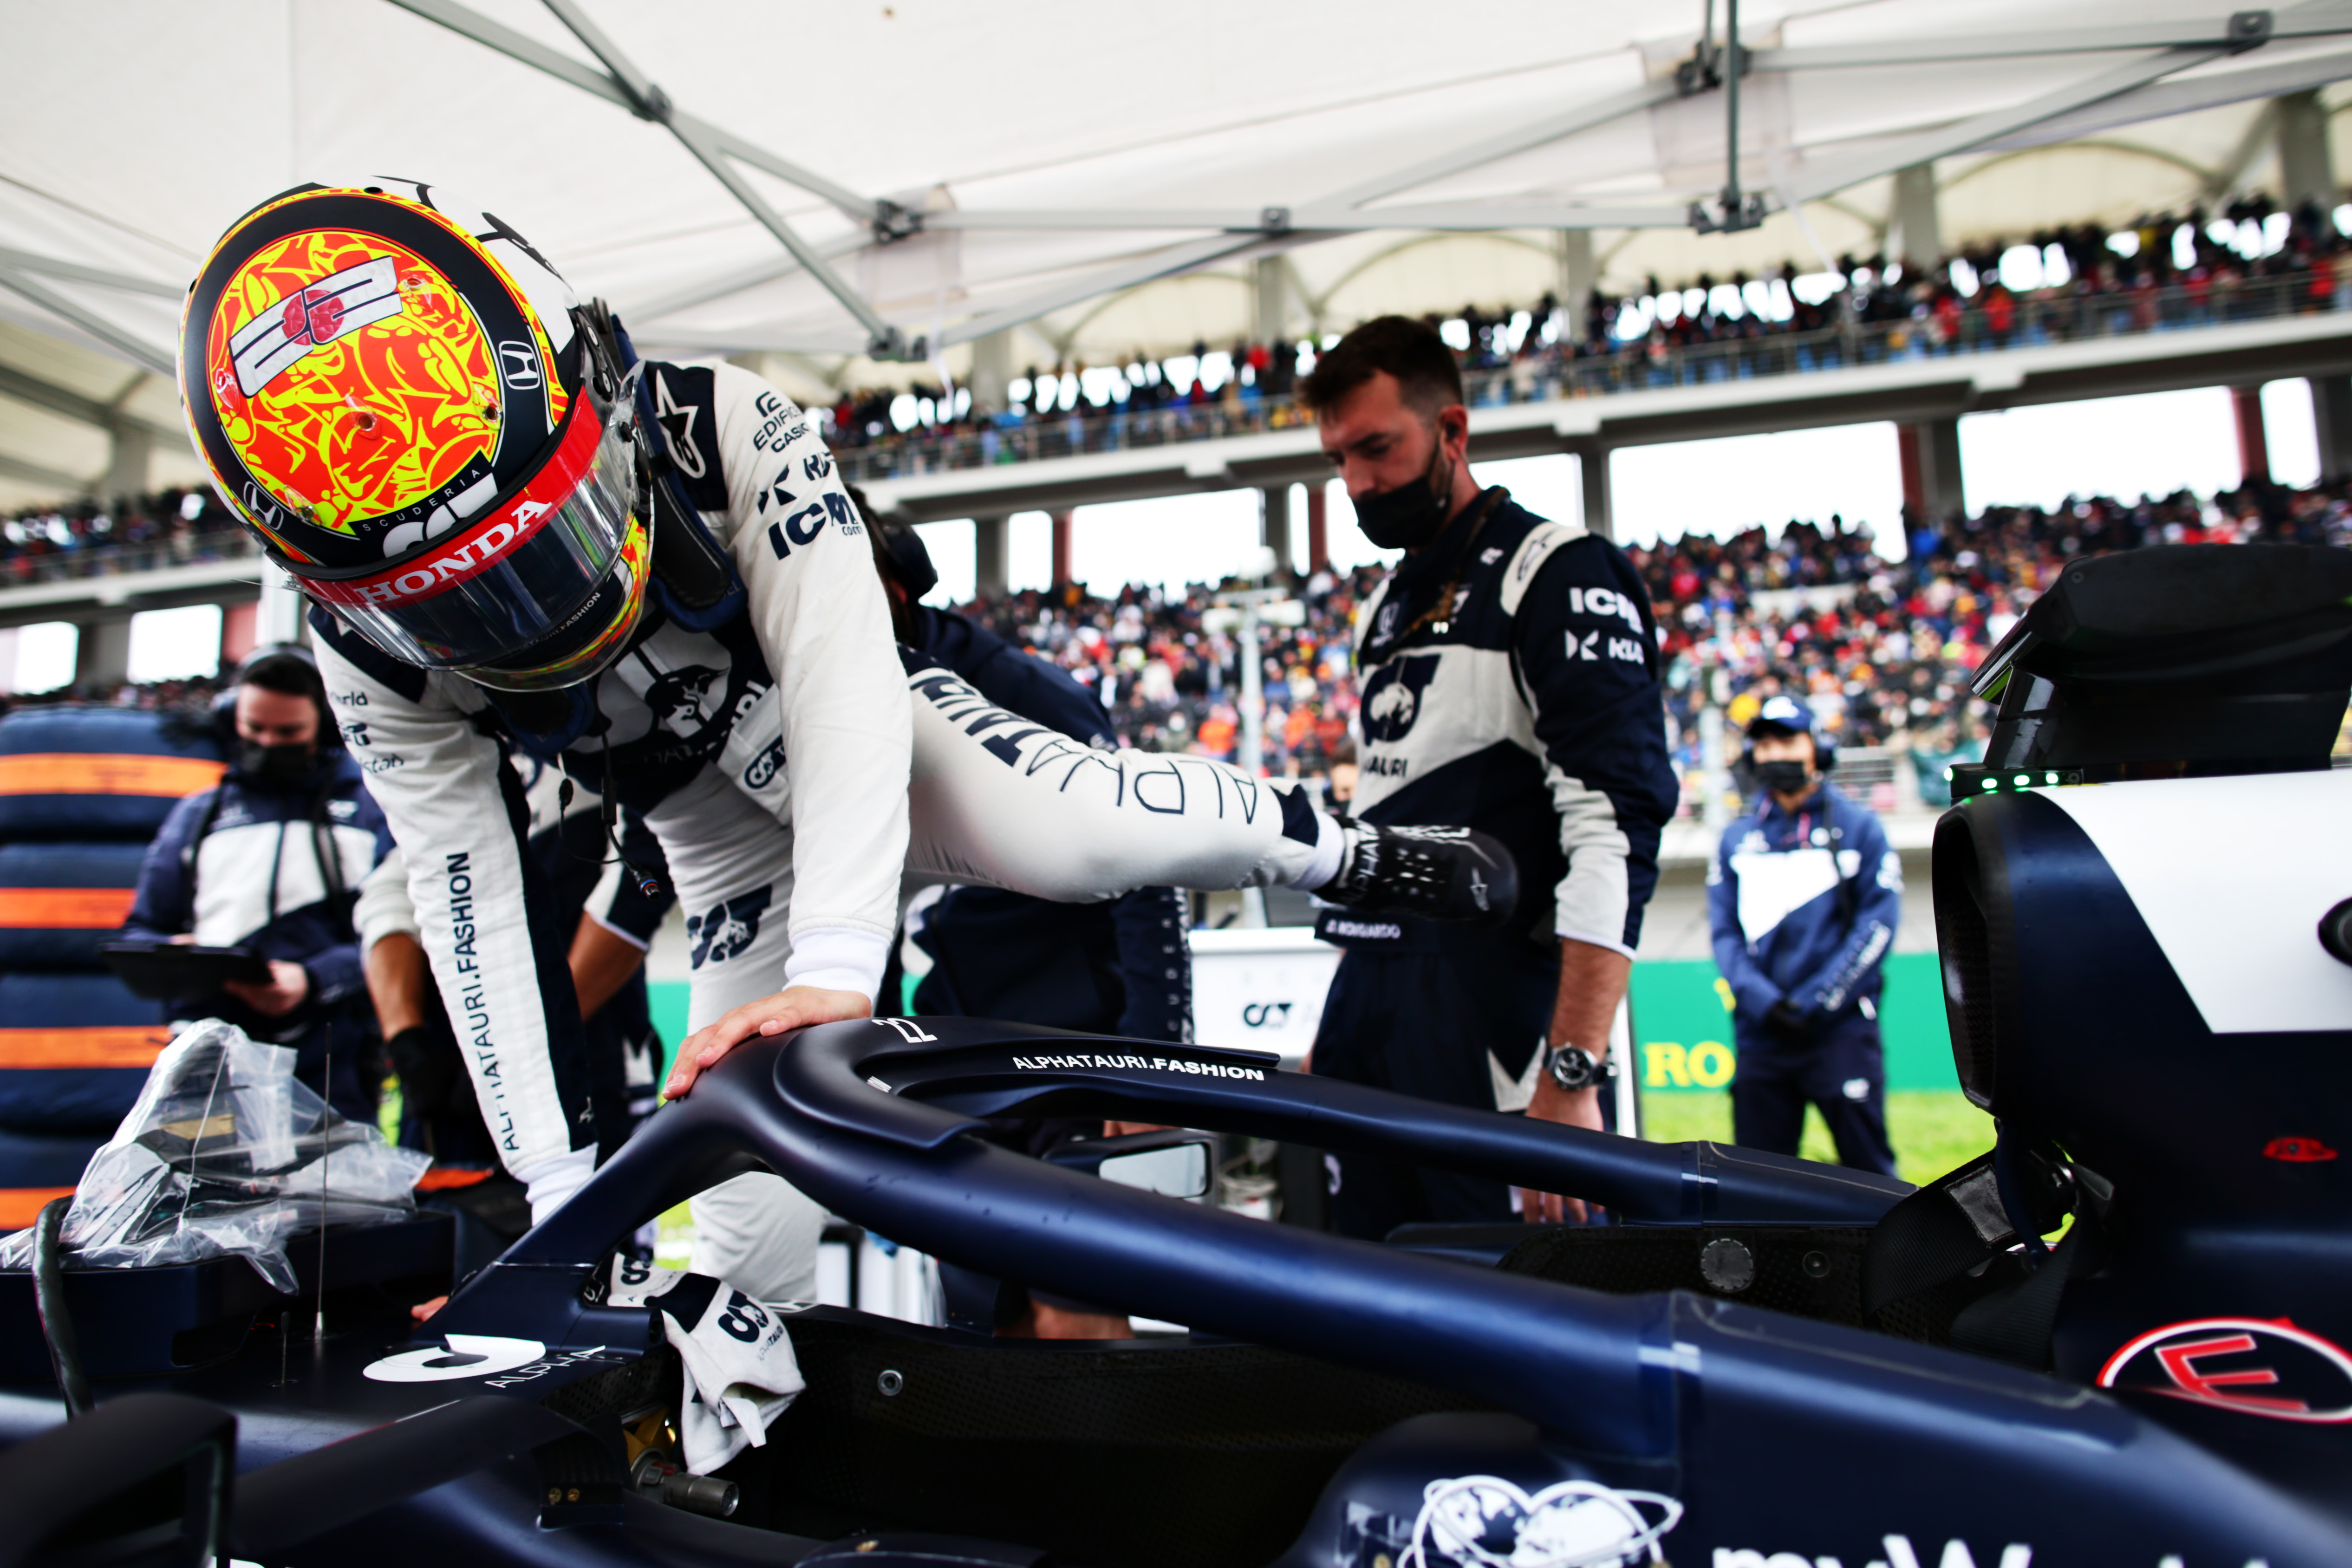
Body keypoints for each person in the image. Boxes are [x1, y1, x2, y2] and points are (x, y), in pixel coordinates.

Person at [176, 181, 1512, 1303]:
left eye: (545, 538)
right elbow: (458, 892)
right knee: (746, 1242)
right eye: (461, 601)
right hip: (719, 853)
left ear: (597, 380)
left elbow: (843, 684)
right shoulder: (360, 648)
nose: (534, 614)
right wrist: (556, 1197)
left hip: (873, 750)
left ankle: (1347, 849)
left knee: (1081, 835)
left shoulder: (724, 421)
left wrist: (833, 968)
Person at [1297, 316, 1680, 1238]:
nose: (1358, 483)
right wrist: (1345, 1013)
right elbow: (1390, 802)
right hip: (1373, 999)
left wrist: (1572, 1070)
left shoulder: (1559, 571)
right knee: (1362, 1290)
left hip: (1494, 1008)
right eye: (1339, 460)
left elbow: (1616, 827)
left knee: (1516, 1297)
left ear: (1453, 430)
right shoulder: (1383, 604)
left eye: (1377, 449)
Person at [123, 648, 390, 1121]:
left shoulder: (373, 810)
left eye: (288, 732)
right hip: (209, 1055)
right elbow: (142, 930)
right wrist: (178, 957)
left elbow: (399, 937)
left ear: (327, 725)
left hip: (334, 1055)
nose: (267, 742)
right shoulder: (198, 814)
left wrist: (314, 979)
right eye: (255, 727)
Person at [1706, 695, 1901, 1175]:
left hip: (1842, 1032)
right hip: (1760, 1035)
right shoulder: (1735, 838)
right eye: (1764, 743)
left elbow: (1877, 925)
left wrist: (1818, 1000)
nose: (1775, 753)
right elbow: (1724, 935)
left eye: (1787, 740)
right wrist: (1766, 1003)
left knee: (1873, 1180)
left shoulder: (1860, 827)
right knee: (1758, 1183)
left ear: (1817, 747)